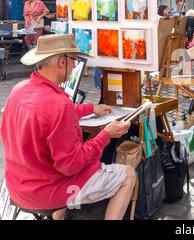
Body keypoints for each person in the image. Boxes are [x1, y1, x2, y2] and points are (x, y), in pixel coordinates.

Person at [0, 34, 135, 220]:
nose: (74, 67)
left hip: (16, 185)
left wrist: (91, 109)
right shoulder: (58, 104)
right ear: (62, 62)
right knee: (127, 175)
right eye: (73, 61)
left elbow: (48, 114)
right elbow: (72, 165)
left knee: (53, 165)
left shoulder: (19, 90)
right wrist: (105, 135)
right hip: (46, 192)